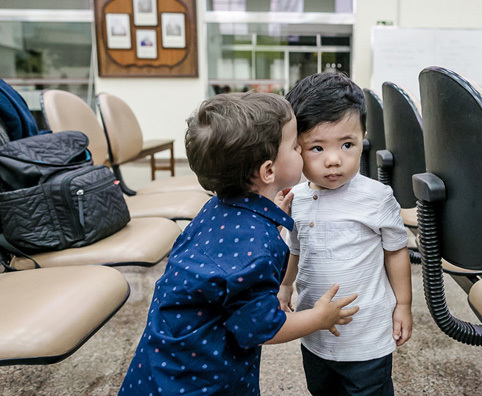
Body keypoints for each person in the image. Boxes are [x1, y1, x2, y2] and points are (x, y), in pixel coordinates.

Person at [119, 93, 359, 395]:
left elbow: (228, 260)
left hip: (162, 359)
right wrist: (318, 318)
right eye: (295, 147)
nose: (301, 150)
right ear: (269, 171)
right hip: (200, 378)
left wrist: (271, 221)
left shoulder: (214, 209)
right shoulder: (256, 249)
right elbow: (260, 329)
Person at [276, 72, 411, 395]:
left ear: (363, 137)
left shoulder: (376, 197)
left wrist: (403, 304)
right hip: (315, 332)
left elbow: (395, 250)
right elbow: (295, 248)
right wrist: (284, 286)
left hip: (367, 338)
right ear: (296, 148)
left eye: (347, 144)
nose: (334, 160)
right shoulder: (297, 198)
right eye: (317, 148)